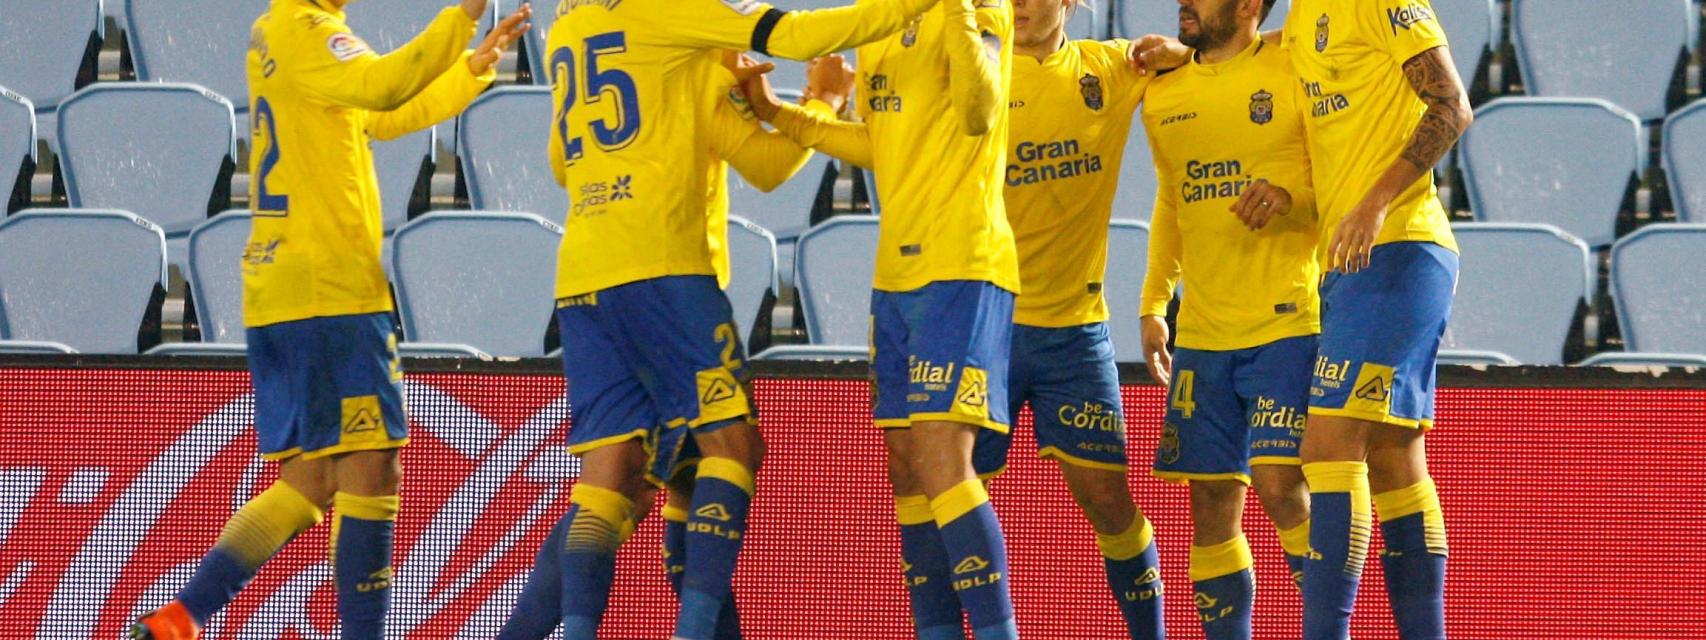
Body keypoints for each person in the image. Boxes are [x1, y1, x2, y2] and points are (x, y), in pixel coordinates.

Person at [514, 1, 943, 638]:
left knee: (614, 482)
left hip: (584, 277)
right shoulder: (677, 15)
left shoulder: (572, 26)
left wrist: (715, 91)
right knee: (733, 447)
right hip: (665, 268)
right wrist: (827, 92)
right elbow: (797, 35)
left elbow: (561, 161)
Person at [128, 2, 531, 638]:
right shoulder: (310, 30)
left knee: (311, 477)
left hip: (281, 287)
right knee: (373, 464)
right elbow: (382, 85)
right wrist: (463, 15)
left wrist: (470, 70)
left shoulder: (281, 31)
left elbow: (381, 116)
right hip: (330, 287)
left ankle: (180, 618)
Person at [733, 1, 1023, 637]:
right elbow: (878, 143)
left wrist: (955, 12)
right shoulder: (878, 24)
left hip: (964, 261)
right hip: (896, 272)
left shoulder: (982, 9)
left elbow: (979, 112)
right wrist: (780, 113)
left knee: (942, 453)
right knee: (904, 459)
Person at [974, 0, 1166, 636]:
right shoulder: (975, 71)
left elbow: (1228, 52)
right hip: (983, 326)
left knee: (1112, 504)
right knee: (947, 501)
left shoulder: (1112, 69)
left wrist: (1180, 53)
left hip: (1075, 334)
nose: (1020, 6)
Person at [1280, 0, 1470, 638]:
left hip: (1400, 249)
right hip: (1350, 266)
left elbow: (1451, 107)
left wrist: (1375, 204)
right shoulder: (1304, 20)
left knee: (1328, 446)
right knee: (1394, 456)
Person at [1137, 0, 1317, 637]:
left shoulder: (1297, 66)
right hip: (1205, 334)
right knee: (1210, 501)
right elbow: (1171, 197)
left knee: (1279, 484)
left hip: (1288, 321)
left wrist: (1291, 200)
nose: (1184, 1)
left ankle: (1330, 624)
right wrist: (1156, 303)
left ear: (1248, 7)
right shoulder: (1165, 92)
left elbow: (1341, 174)